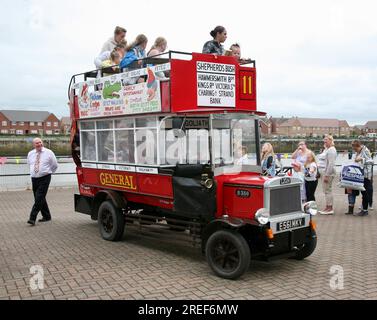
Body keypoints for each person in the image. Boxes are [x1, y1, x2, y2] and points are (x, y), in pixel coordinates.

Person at [27, 138, 58, 226]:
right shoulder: (30, 153)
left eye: (40, 142)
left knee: (39, 197)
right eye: (37, 143)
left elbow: (55, 165)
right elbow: (29, 164)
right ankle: (47, 216)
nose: (39, 144)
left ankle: (32, 218)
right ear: (34, 145)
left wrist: (48, 172)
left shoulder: (49, 152)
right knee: (39, 197)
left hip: (45, 178)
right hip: (34, 178)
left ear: (42, 143)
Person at [350, 140, 373, 216]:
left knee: (365, 192)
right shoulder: (359, 151)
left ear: (358, 146)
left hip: (366, 175)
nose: (355, 150)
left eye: (355, 149)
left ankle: (365, 210)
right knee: (363, 192)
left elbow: (371, 161)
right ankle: (364, 209)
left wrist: (361, 159)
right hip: (361, 174)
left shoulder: (365, 150)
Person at [318, 135, 337, 215]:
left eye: (326, 140)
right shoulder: (327, 149)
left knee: (327, 190)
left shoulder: (331, 150)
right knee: (326, 190)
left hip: (327, 173)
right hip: (324, 172)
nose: (324, 142)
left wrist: (326, 175)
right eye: (324, 140)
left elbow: (331, 164)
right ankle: (327, 207)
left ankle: (330, 208)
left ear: (331, 140)